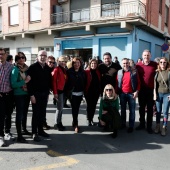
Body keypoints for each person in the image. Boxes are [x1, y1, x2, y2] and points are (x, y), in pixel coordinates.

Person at [27, 50, 52, 142]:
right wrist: (31, 95)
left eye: (44, 55)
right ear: (37, 57)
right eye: (41, 55)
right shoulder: (32, 67)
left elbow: (48, 82)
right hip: (35, 94)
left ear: (46, 57)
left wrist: (48, 93)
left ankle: (41, 130)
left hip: (44, 94)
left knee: (42, 113)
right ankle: (34, 133)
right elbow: (29, 83)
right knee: (36, 114)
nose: (43, 57)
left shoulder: (47, 68)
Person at [136, 49, 157, 134]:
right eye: (145, 55)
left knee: (150, 109)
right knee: (141, 108)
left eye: (148, 55)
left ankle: (149, 126)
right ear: (142, 56)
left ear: (150, 56)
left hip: (151, 90)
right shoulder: (138, 65)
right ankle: (141, 124)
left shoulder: (155, 64)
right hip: (141, 90)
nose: (146, 57)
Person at [11, 54, 31, 143]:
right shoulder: (15, 70)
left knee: (25, 113)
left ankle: (24, 129)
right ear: (16, 60)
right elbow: (13, 84)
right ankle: (19, 135)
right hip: (19, 95)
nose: (21, 59)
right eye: (19, 58)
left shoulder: (26, 69)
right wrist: (24, 81)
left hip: (26, 94)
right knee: (19, 115)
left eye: (23, 57)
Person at [117, 58, 140, 133]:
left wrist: (136, 91)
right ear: (122, 64)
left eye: (127, 63)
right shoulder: (119, 72)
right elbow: (117, 82)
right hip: (122, 94)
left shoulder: (134, 72)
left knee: (132, 111)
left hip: (131, 94)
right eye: (124, 63)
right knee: (123, 110)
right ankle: (123, 124)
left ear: (129, 63)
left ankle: (131, 126)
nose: (125, 65)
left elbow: (139, 83)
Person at [66, 57, 86, 133]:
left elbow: (84, 81)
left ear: (80, 64)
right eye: (75, 63)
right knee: (75, 109)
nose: (77, 64)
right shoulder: (69, 71)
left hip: (80, 93)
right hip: (72, 94)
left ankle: (74, 122)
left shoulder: (82, 72)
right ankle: (76, 124)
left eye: (78, 63)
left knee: (76, 108)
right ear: (72, 64)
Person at [0, 48, 14, 147]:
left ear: (6, 55)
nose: (1, 56)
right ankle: (0, 136)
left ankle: (7, 132)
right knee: (0, 116)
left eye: (2, 54)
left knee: (8, 114)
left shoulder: (11, 66)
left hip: (9, 95)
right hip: (0, 95)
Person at [154, 57, 170, 136]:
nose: (163, 64)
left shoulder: (169, 72)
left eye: (164, 62)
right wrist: (154, 93)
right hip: (158, 94)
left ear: (167, 63)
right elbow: (155, 85)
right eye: (161, 62)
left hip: (167, 94)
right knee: (158, 111)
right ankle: (157, 126)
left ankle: (164, 126)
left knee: (165, 112)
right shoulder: (157, 72)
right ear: (159, 63)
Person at [52, 56, 67, 131]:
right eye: (61, 61)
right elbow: (54, 82)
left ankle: (59, 122)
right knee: (59, 108)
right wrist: (55, 93)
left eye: (64, 61)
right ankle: (57, 123)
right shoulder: (56, 69)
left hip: (63, 91)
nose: (63, 62)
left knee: (61, 108)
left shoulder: (63, 69)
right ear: (58, 61)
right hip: (58, 91)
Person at [85, 59, 101, 126]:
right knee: (89, 106)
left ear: (97, 65)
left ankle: (91, 119)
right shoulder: (87, 72)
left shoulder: (98, 72)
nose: (93, 65)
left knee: (94, 106)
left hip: (96, 92)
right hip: (88, 92)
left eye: (95, 63)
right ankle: (89, 119)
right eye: (92, 63)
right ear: (90, 64)